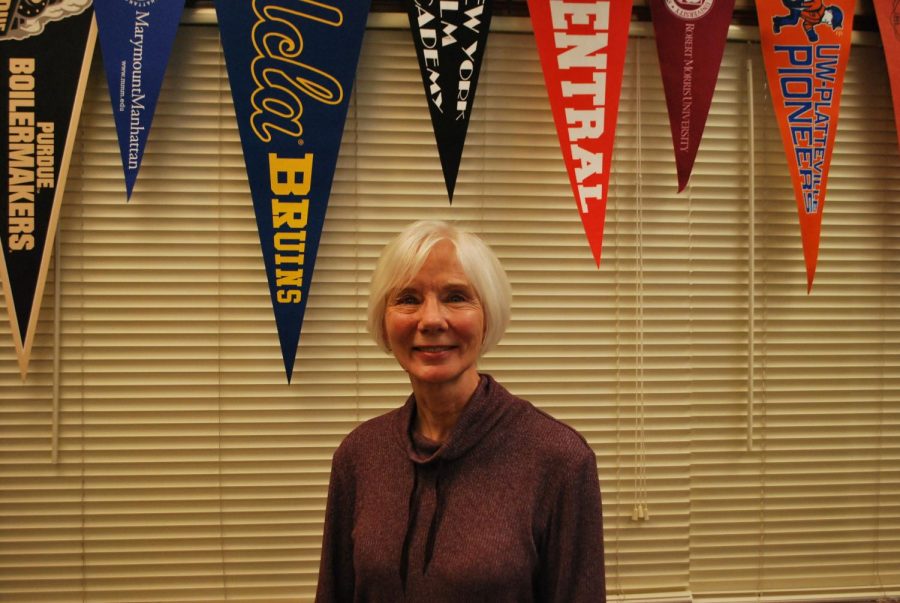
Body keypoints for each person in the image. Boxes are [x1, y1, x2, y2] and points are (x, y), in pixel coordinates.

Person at [316, 220, 605, 602]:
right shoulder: (359, 455)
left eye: (455, 296)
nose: (431, 320)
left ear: (488, 315)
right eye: (408, 298)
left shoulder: (558, 460)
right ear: (384, 321)